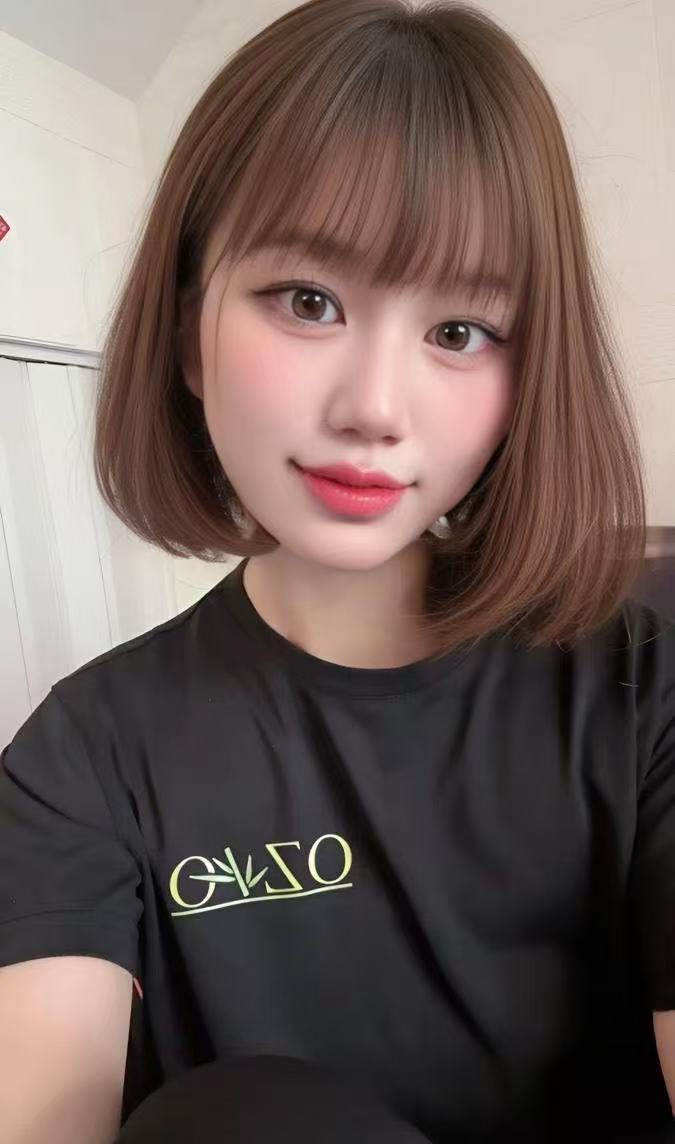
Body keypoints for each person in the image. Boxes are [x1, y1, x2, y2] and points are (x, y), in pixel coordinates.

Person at [0, 0, 673, 1140]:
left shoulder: (642, 694)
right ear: (188, 334)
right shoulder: (85, 757)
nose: (374, 407)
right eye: (308, 302)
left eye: (460, 331)